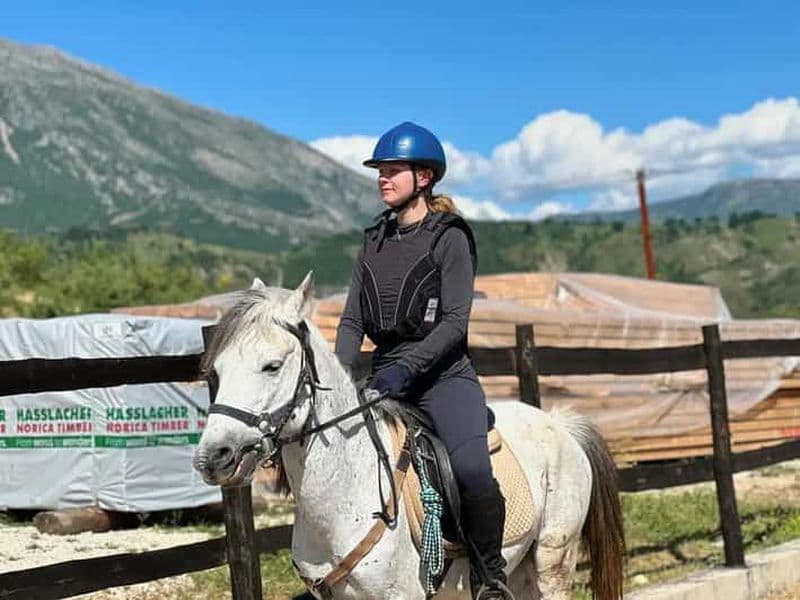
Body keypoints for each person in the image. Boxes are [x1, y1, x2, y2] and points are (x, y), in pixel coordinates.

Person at [334, 121, 510, 599]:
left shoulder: (450, 237)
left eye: (393, 170)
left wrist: (405, 369)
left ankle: (490, 575)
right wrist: (337, 379)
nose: (382, 178)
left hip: (442, 378)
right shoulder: (373, 240)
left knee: (472, 469)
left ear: (425, 177)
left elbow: (455, 323)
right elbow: (352, 322)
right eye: (380, 171)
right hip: (384, 377)